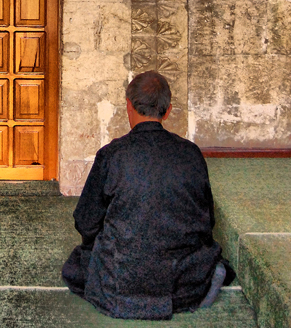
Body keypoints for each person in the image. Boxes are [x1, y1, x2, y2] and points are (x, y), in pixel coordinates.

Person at [62, 70, 233, 320]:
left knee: (79, 263)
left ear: (129, 106)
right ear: (168, 110)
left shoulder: (112, 155)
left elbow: (86, 222)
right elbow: (206, 222)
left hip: (120, 283)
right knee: (206, 257)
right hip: (182, 279)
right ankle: (199, 283)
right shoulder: (191, 153)